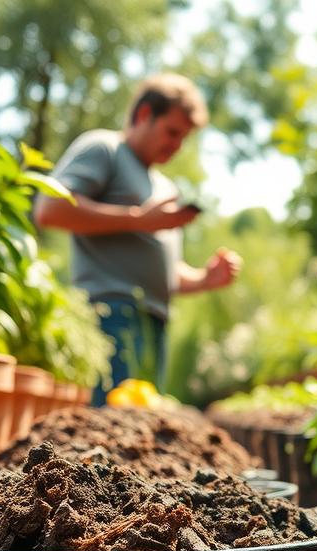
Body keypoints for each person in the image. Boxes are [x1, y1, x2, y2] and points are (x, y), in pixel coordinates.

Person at [33, 72, 242, 404]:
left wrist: (204, 278)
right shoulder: (105, 149)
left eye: (183, 138)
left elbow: (166, 270)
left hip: (155, 323)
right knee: (106, 428)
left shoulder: (164, 187)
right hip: (111, 316)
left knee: (139, 431)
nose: (176, 145)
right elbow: (51, 208)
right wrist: (138, 219)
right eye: (172, 132)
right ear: (144, 114)